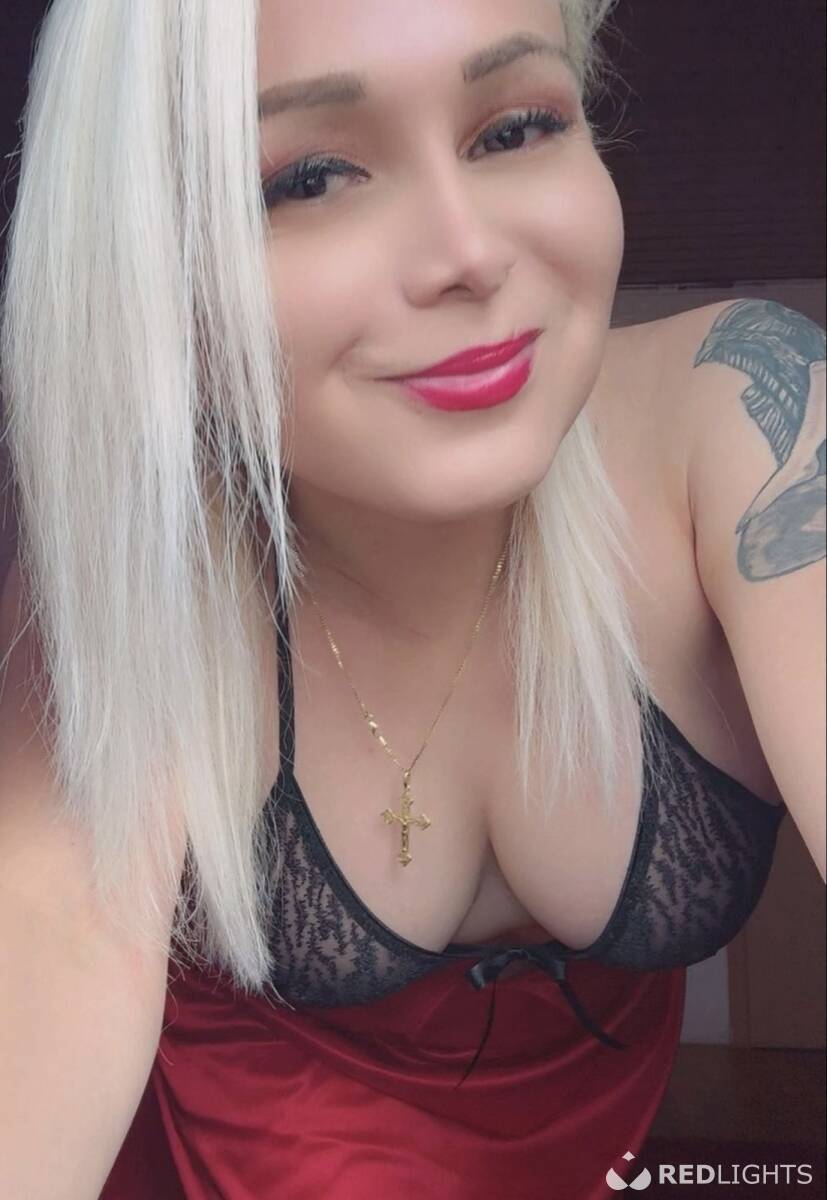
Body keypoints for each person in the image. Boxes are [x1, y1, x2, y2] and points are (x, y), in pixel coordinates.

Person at [0, 1, 823, 1197]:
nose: (466, 252)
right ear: (149, 258)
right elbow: (47, 962)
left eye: (515, 128)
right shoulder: (132, 575)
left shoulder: (748, 420)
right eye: (309, 178)